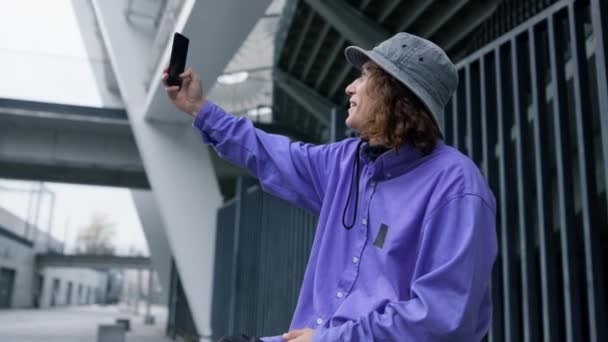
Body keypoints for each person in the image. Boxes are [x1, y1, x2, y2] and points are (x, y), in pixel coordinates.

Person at [163, 32, 497, 342]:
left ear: (396, 94)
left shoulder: (455, 186)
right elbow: (268, 154)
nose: (350, 88)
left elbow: (441, 320)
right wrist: (198, 108)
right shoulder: (345, 161)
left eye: (365, 76)